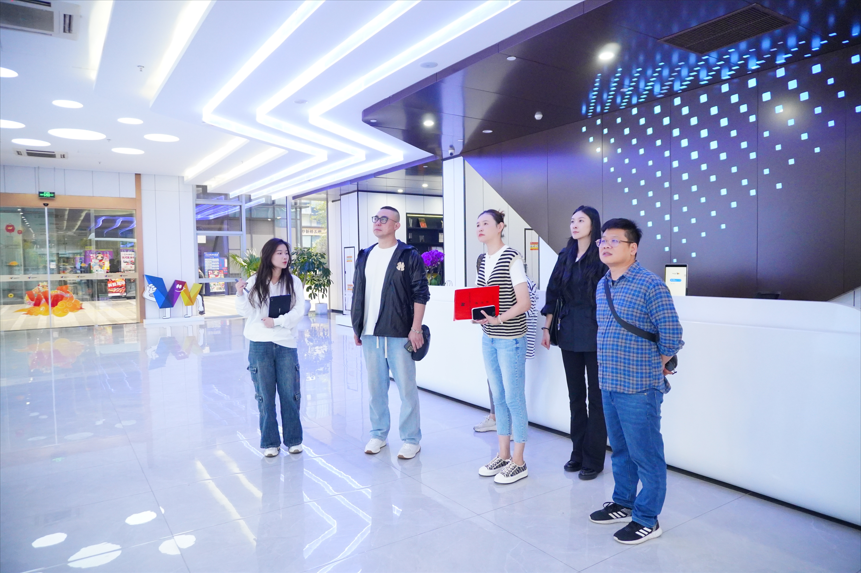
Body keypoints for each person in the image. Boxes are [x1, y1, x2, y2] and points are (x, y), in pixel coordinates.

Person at [588, 218, 683, 545]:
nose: (605, 245)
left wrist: (656, 364)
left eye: (614, 240)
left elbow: (672, 335)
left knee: (646, 454)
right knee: (621, 451)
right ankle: (624, 502)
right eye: (603, 240)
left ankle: (647, 519)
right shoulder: (602, 284)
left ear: (633, 248)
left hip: (640, 387)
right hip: (609, 382)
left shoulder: (650, 285)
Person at [351, 206, 429, 460]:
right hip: (370, 333)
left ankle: (411, 439)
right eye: (376, 218)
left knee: (406, 389)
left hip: (400, 332)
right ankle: (378, 434)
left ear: (396, 225)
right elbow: (358, 292)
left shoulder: (409, 255)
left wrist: (415, 328)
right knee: (376, 389)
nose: (378, 222)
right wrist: (357, 326)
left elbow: (420, 294)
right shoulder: (365, 255)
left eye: (384, 219)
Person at [540, 206, 607, 480]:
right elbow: (553, 294)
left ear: (593, 225)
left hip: (597, 333)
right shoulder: (565, 255)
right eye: (572, 221)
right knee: (576, 397)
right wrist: (546, 327)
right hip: (568, 332)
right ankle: (577, 452)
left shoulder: (602, 255)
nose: (575, 225)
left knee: (597, 399)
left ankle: (594, 458)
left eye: (581, 220)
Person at [474, 210, 533, 484]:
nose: (480, 227)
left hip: (510, 339)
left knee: (513, 398)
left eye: (485, 223)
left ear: (500, 227)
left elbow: (524, 302)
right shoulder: (482, 260)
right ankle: (503, 454)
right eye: (478, 224)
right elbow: (483, 298)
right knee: (498, 397)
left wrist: (498, 319)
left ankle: (519, 462)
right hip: (488, 337)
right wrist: (475, 314)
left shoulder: (512, 257)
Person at [235, 238, 305, 457]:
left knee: (290, 394)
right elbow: (246, 312)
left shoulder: (293, 282)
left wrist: (277, 321)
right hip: (260, 344)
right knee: (265, 396)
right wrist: (239, 293)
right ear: (269, 256)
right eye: (279, 253)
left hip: (285, 344)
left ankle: (293, 440)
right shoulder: (255, 281)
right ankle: (270, 442)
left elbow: (299, 311)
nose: (285, 257)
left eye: (286, 253)